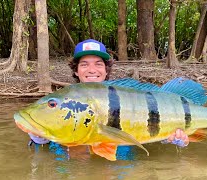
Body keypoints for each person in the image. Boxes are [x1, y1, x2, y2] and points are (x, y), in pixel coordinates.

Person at [29, 39, 189, 154]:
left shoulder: (127, 95)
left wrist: (169, 139)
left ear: (106, 71)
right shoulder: (61, 100)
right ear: (76, 71)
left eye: (98, 64)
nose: (92, 70)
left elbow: (152, 132)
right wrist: (39, 138)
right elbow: (43, 150)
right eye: (84, 64)